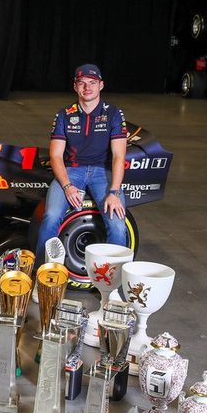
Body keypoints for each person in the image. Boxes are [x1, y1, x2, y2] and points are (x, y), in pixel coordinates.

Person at [35, 63, 128, 265]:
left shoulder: (113, 114)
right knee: (51, 217)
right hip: (71, 171)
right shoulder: (64, 115)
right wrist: (67, 186)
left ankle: (110, 285)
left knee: (118, 225)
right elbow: (56, 156)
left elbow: (119, 156)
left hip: (103, 173)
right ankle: (43, 277)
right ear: (75, 87)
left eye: (92, 83)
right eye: (82, 83)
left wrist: (114, 193)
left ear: (101, 85)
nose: (87, 87)